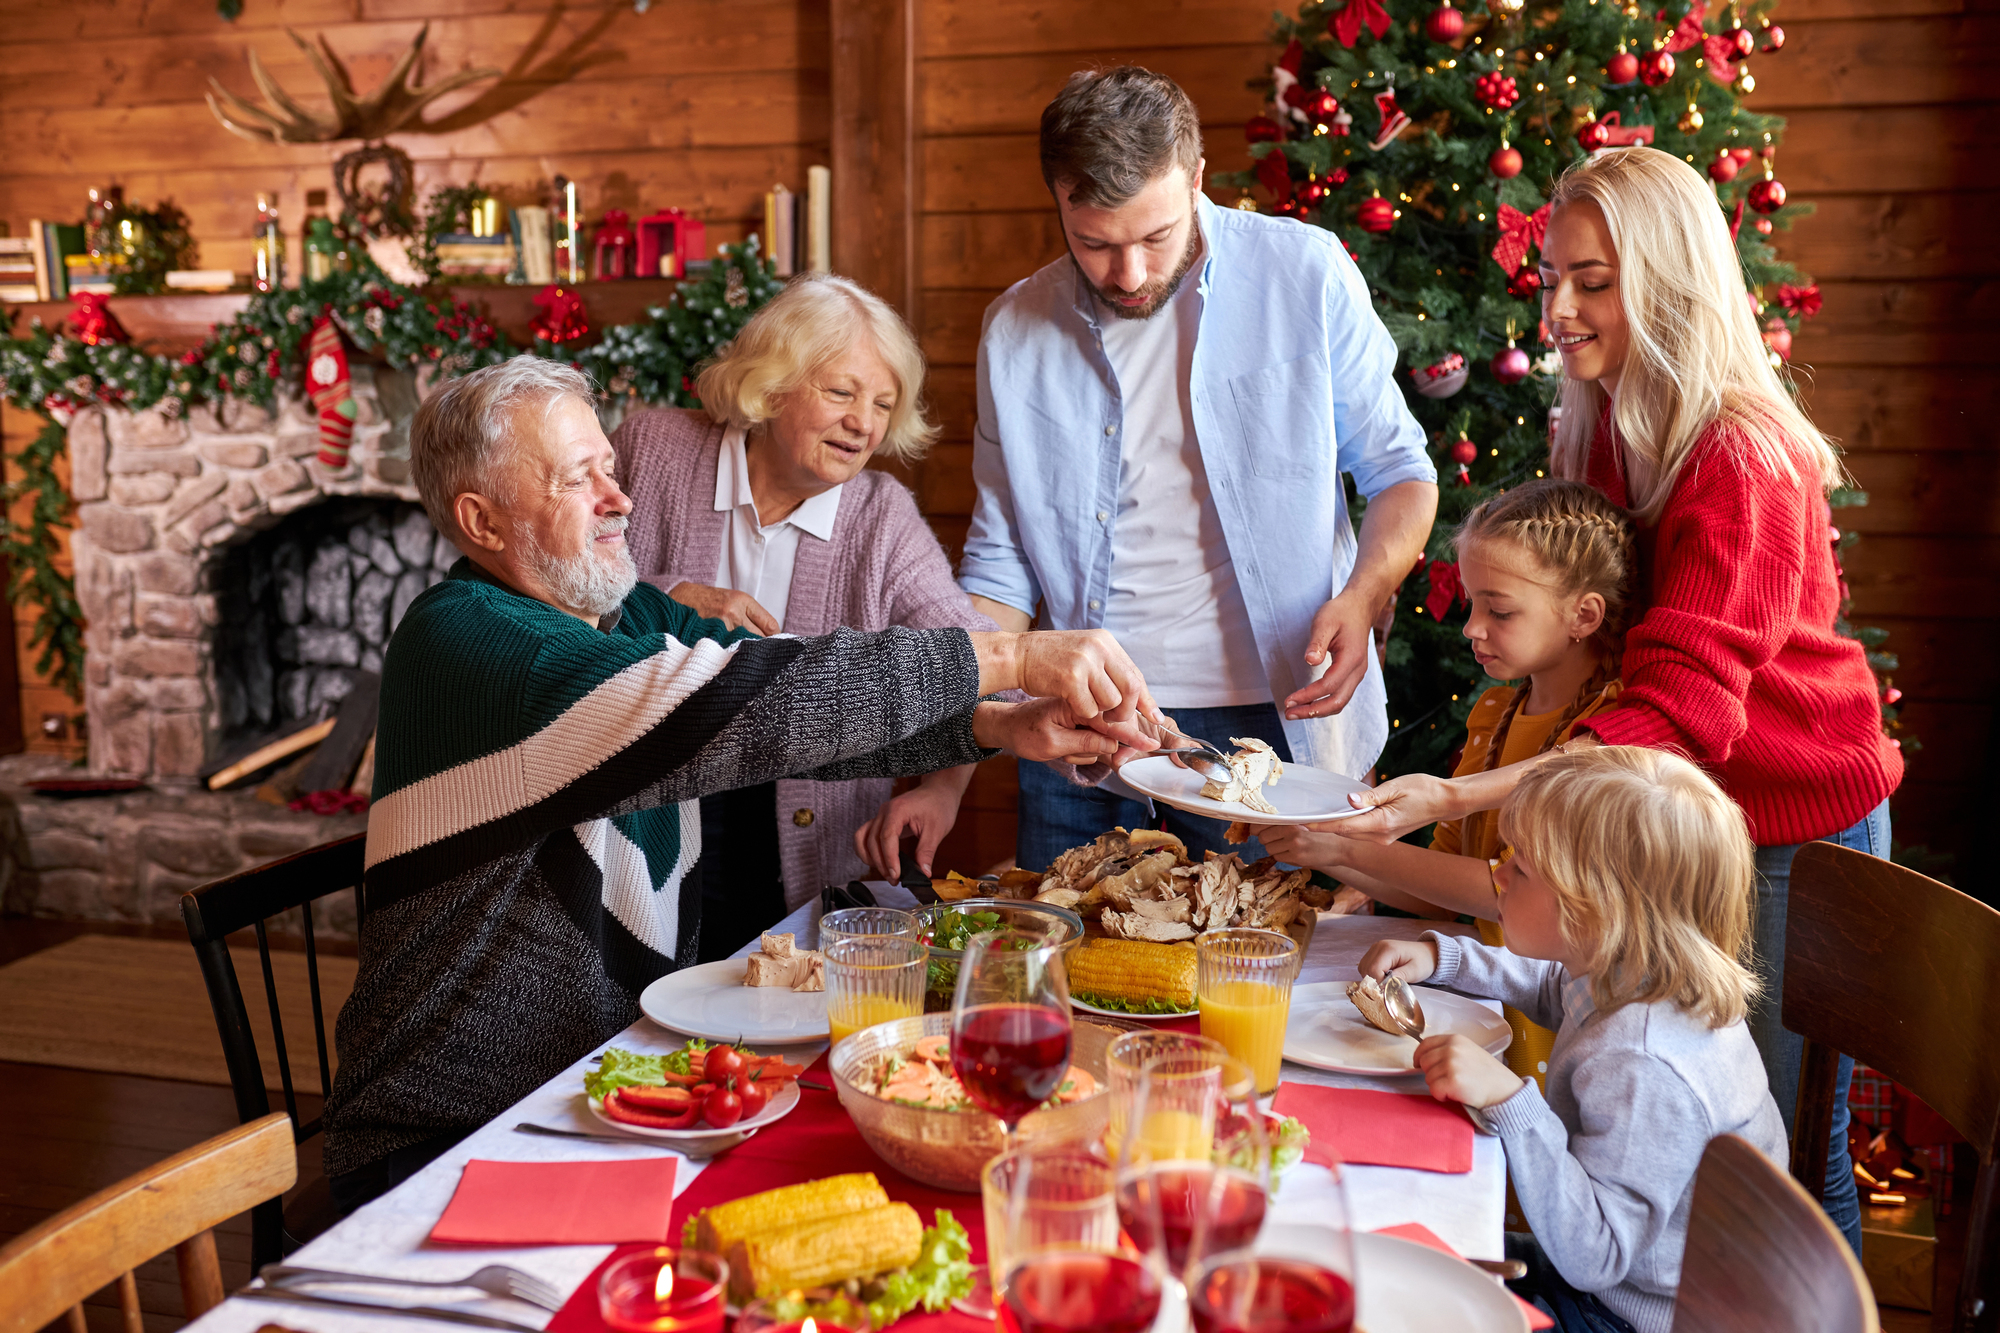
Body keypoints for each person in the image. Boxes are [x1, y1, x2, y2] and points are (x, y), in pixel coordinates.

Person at [323, 356, 1156, 1211]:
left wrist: (1001, 727)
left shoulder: (624, 615)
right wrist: (1012, 657)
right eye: (581, 479)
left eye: (611, 465)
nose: (621, 498)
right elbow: (743, 706)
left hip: (608, 1095)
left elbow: (784, 711)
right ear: (482, 520)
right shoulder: (470, 641)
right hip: (447, 1145)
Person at [1325, 147, 1901, 1250]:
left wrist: (1452, 797)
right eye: (1550, 279)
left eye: (1590, 282)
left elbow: (1678, 714)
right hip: (1680, 821)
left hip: (1790, 834)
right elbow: (1617, 686)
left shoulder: (1743, 455)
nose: (1556, 310)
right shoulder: (1598, 424)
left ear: (1668, 279)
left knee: (1766, 1168)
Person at [958, 66, 1438, 869]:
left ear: (1198, 180)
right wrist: (946, 764)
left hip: (1277, 723)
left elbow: (1401, 471)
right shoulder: (1014, 329)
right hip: (1082, 726)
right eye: (1096, 245)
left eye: (1156, 236)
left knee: (1267, 978)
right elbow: (998, 566)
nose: (1131, 275)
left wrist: (1364, 595)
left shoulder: (1305, 272)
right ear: (1058, 203)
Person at [611, 275, 1001, 955]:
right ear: (772, 383)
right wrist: (670, 596)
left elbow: (970, 654)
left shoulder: (879, 516)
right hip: (649, 813)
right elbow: (559, 598)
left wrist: (942, 790)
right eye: (842, 392)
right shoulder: (653, 450)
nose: (865, 422)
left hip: (795, 837)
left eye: (884, 403)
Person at [1360, 746, 1786, 1333]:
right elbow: (1553, 985)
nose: (1498, 875)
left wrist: (1509, 1101)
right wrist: (1444, 957)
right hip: (1612, 1280)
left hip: (1628, 1313)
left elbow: (1597, 1255)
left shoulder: (1647, 1062)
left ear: (1597, 912)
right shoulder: (1633, 976)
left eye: (1521, 869)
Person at [1259, 477, 1633, 1114]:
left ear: (1584, 615)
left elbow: (1499, 887)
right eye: (1471, 606)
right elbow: (1434, 886)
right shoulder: (1494, 715)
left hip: (1549, 1030)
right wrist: (1324, 849)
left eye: (1500, 610)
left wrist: (1343, 844)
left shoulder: (1605, 736)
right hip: (1478, 1002)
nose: (1471, 629)